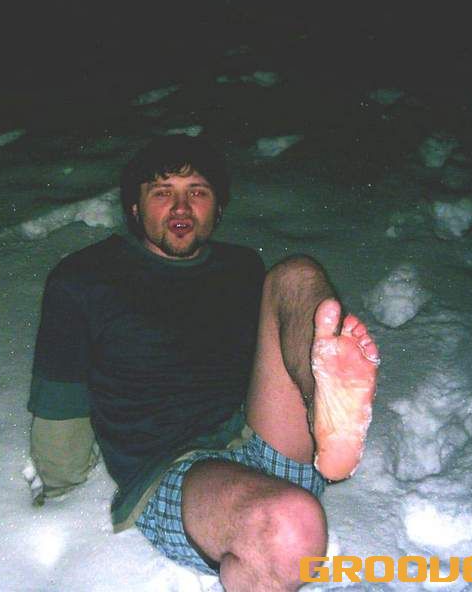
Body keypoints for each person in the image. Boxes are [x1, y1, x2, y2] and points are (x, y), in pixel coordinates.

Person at [27, 135, 379, 591]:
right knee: (290, 529)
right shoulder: (85, 279)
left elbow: (269, 361)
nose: (181, 207)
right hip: (177, 471)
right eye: (162, 192)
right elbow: (62, 398)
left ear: (218, 207)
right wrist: (59, 483)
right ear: (134, 208)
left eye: (197, 192)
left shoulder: (242, 268)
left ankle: (325, 411)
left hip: (260, 436)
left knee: (296, 274)